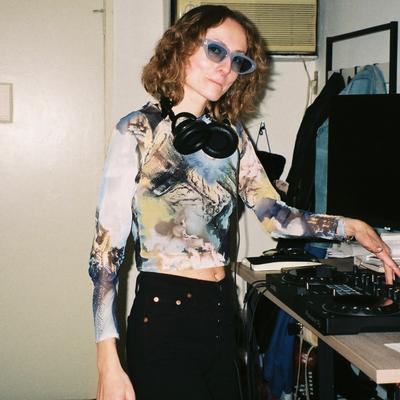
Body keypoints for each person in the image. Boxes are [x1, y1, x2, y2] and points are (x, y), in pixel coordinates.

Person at [88, 5, 400, 400]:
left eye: (238, 60)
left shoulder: (230, 135)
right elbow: (105, 253)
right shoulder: (137, 130)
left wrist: (350, 227)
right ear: (182, 47)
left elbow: (275, 215)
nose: (226, 68)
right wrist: (107, 362)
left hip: (221, 311)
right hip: (164, 316)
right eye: (216, 50)